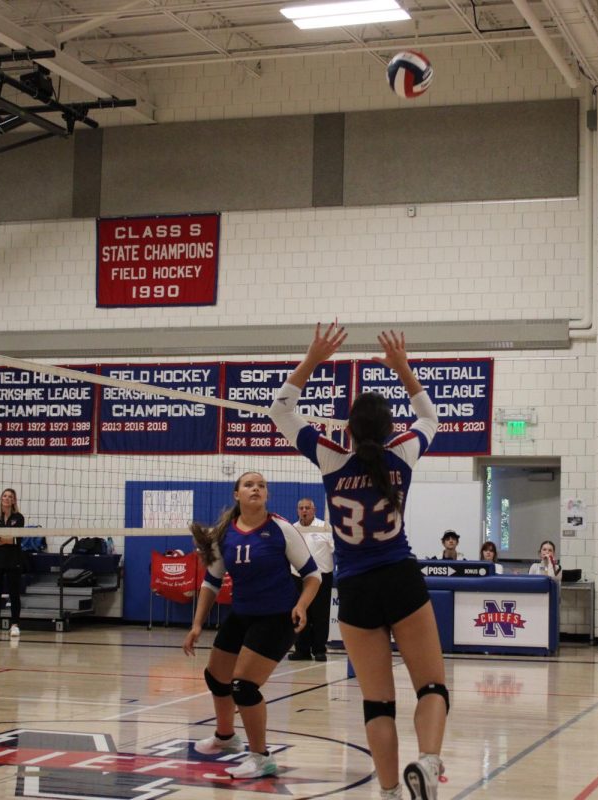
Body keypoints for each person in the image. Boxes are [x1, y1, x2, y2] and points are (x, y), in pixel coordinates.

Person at [269, 322, 448, 800]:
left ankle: (388, 792)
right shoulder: (403, 455)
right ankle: (428, 763)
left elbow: (280, 409)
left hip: (355, 588)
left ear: (347, 430)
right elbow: (430, 417)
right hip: (401, 578)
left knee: (377, 703)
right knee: (431, 686)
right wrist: (403, 368)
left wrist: (313, 357)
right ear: (391, 429)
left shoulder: (331, 459)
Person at [182, 472, 320, 779]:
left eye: (261, 485)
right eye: (248, 484)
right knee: (216, 677)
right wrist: (196, 625)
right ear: (237, 494)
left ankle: (261, 757)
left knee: (243, 687)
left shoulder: (280, 528)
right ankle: (226, 737)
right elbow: (212, 582)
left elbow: (313, 575)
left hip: (277, 616)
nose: (255, 488)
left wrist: (301, 605)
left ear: (266, 495)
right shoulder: (225, 535)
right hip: (243, 614)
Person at [290, 498, 334, 662]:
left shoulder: (325, 527)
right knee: (300, 613)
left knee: (320, 614)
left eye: (307, 508)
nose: (304, 511)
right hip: (298, 577)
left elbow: (335, 549)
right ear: (298, 511)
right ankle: (301, 650)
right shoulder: (293, 529)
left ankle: (319, 650)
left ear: (314, 510)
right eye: (301, 508)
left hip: (322, 577)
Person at [0, 489, 27, 639]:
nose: (7, 499)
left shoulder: (18, 518)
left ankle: (15, 625)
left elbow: (18, 540)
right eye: (5, 496)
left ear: (14, 501)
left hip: (13, 561)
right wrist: (8, 539)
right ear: (1, 498)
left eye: (10, 497)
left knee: (14, 594)